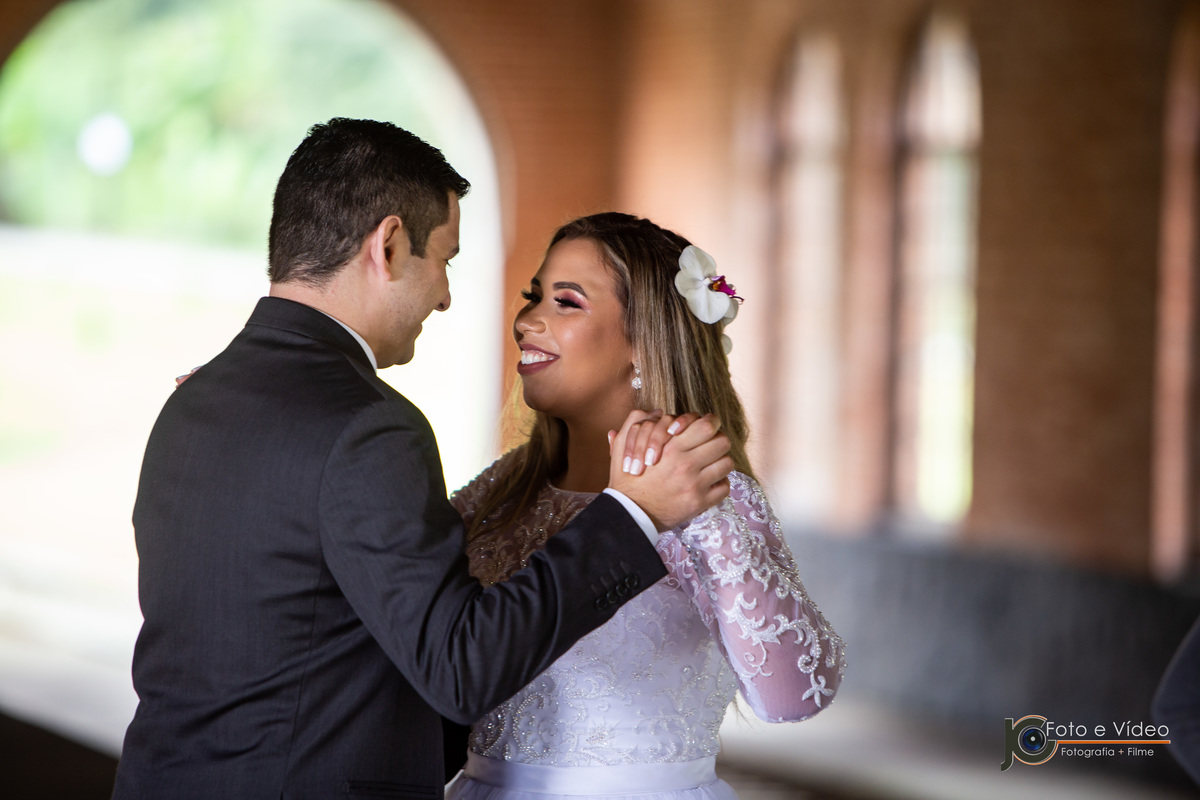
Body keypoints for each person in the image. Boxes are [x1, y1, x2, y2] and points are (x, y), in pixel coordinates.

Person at [111, 120, 733, 800]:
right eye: (444, 259)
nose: (444, 295)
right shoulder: (369, 426)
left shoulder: (195, 401)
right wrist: (631, 516)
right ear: (388, 245)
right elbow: (460, 669)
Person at [444, 212, 847, 800]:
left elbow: (795, 696)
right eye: (533, 297)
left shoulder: (712, 496)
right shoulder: (504, 487)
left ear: (643, 344)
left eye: (566, 302)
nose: (526, 321)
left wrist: (697, 516)